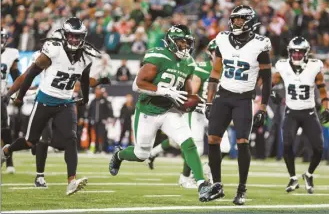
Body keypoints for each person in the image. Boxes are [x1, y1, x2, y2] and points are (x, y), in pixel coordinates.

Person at [109, 24, 222, 202]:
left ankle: (202, 185)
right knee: (141, 154)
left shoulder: (189, 63)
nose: (185, 46)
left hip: (170, 110)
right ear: (170, 42)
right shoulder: (158, 56)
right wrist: (165, 91)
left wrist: (192, 102)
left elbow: (188, 93)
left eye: (187, 42)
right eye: (181, 42)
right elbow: (137, 84)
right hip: (148, 111)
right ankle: (119, 155)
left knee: (189, 144)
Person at [0, 17, 108, 195]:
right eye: (71, 36)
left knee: (71, 138)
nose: (74, 39)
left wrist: (86, 97)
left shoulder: (87, 55)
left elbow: (85, 79)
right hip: (44, 100)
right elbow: (31, 73)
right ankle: (7, 150)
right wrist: (18, 96)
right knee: (30, 141)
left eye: (77, 36)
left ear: (83, 37)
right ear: (64, 35)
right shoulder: (53, 50)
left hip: (65, 103)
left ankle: (71, 181)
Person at [206, 5, 272, 205]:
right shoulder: (222, 39)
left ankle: (242, 188)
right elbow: (215, 72)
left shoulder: (260, 44)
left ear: (250, 21)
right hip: (223, 96)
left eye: (241, 19)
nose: (236, 23)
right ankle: (217, 185)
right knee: (212, 140)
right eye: (234, 19)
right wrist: (209, 100)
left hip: (244, 98)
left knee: (242, 142)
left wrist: (262, 107)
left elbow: (267, 79)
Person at [273, 37, 329, 194]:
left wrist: (327, 109)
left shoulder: (314, 66)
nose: (297, 55)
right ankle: (293, 178)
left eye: (300, 53)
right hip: (291, 112)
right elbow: (269, 83)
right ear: (289, 52)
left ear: (306, 53)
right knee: (287, 146)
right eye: (294, 52)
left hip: (309, 112)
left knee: (319, 148)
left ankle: (309, 174)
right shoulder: (282, 66)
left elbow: (323, 91)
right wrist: (271, 93)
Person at [0, 27, 21, 174]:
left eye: (3, 37)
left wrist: (19, 90)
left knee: (5, 131)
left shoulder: (11, 54)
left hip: (1, 97)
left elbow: (15, 75)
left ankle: (9, 162)